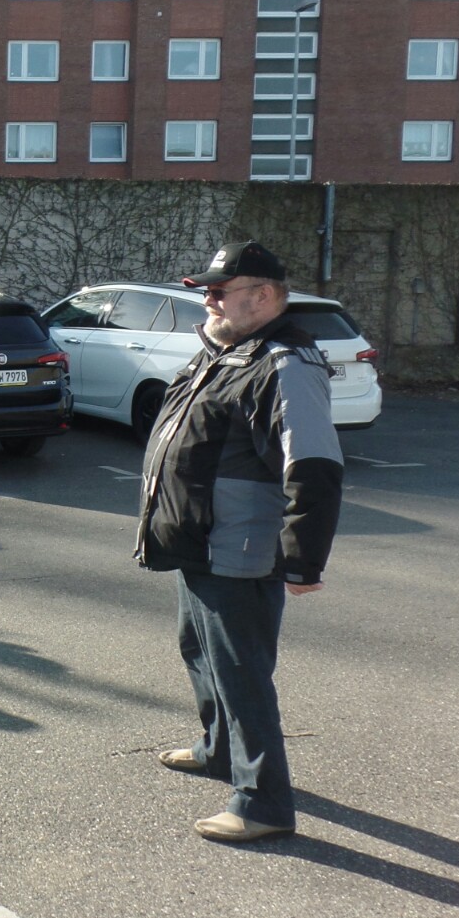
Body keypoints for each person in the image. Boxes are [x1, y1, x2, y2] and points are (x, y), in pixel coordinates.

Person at [134, 240, 344, 842]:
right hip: (198, 540)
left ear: (265, 297)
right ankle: (219, 751)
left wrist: (302, 558)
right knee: (199, 652)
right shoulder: (227, 353)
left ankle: (263, 805)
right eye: (207, 289)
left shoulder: (285, 364)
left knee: (242, 674)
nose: (209, 298)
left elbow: (313, 464)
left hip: (239, 551)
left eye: (221, 290)